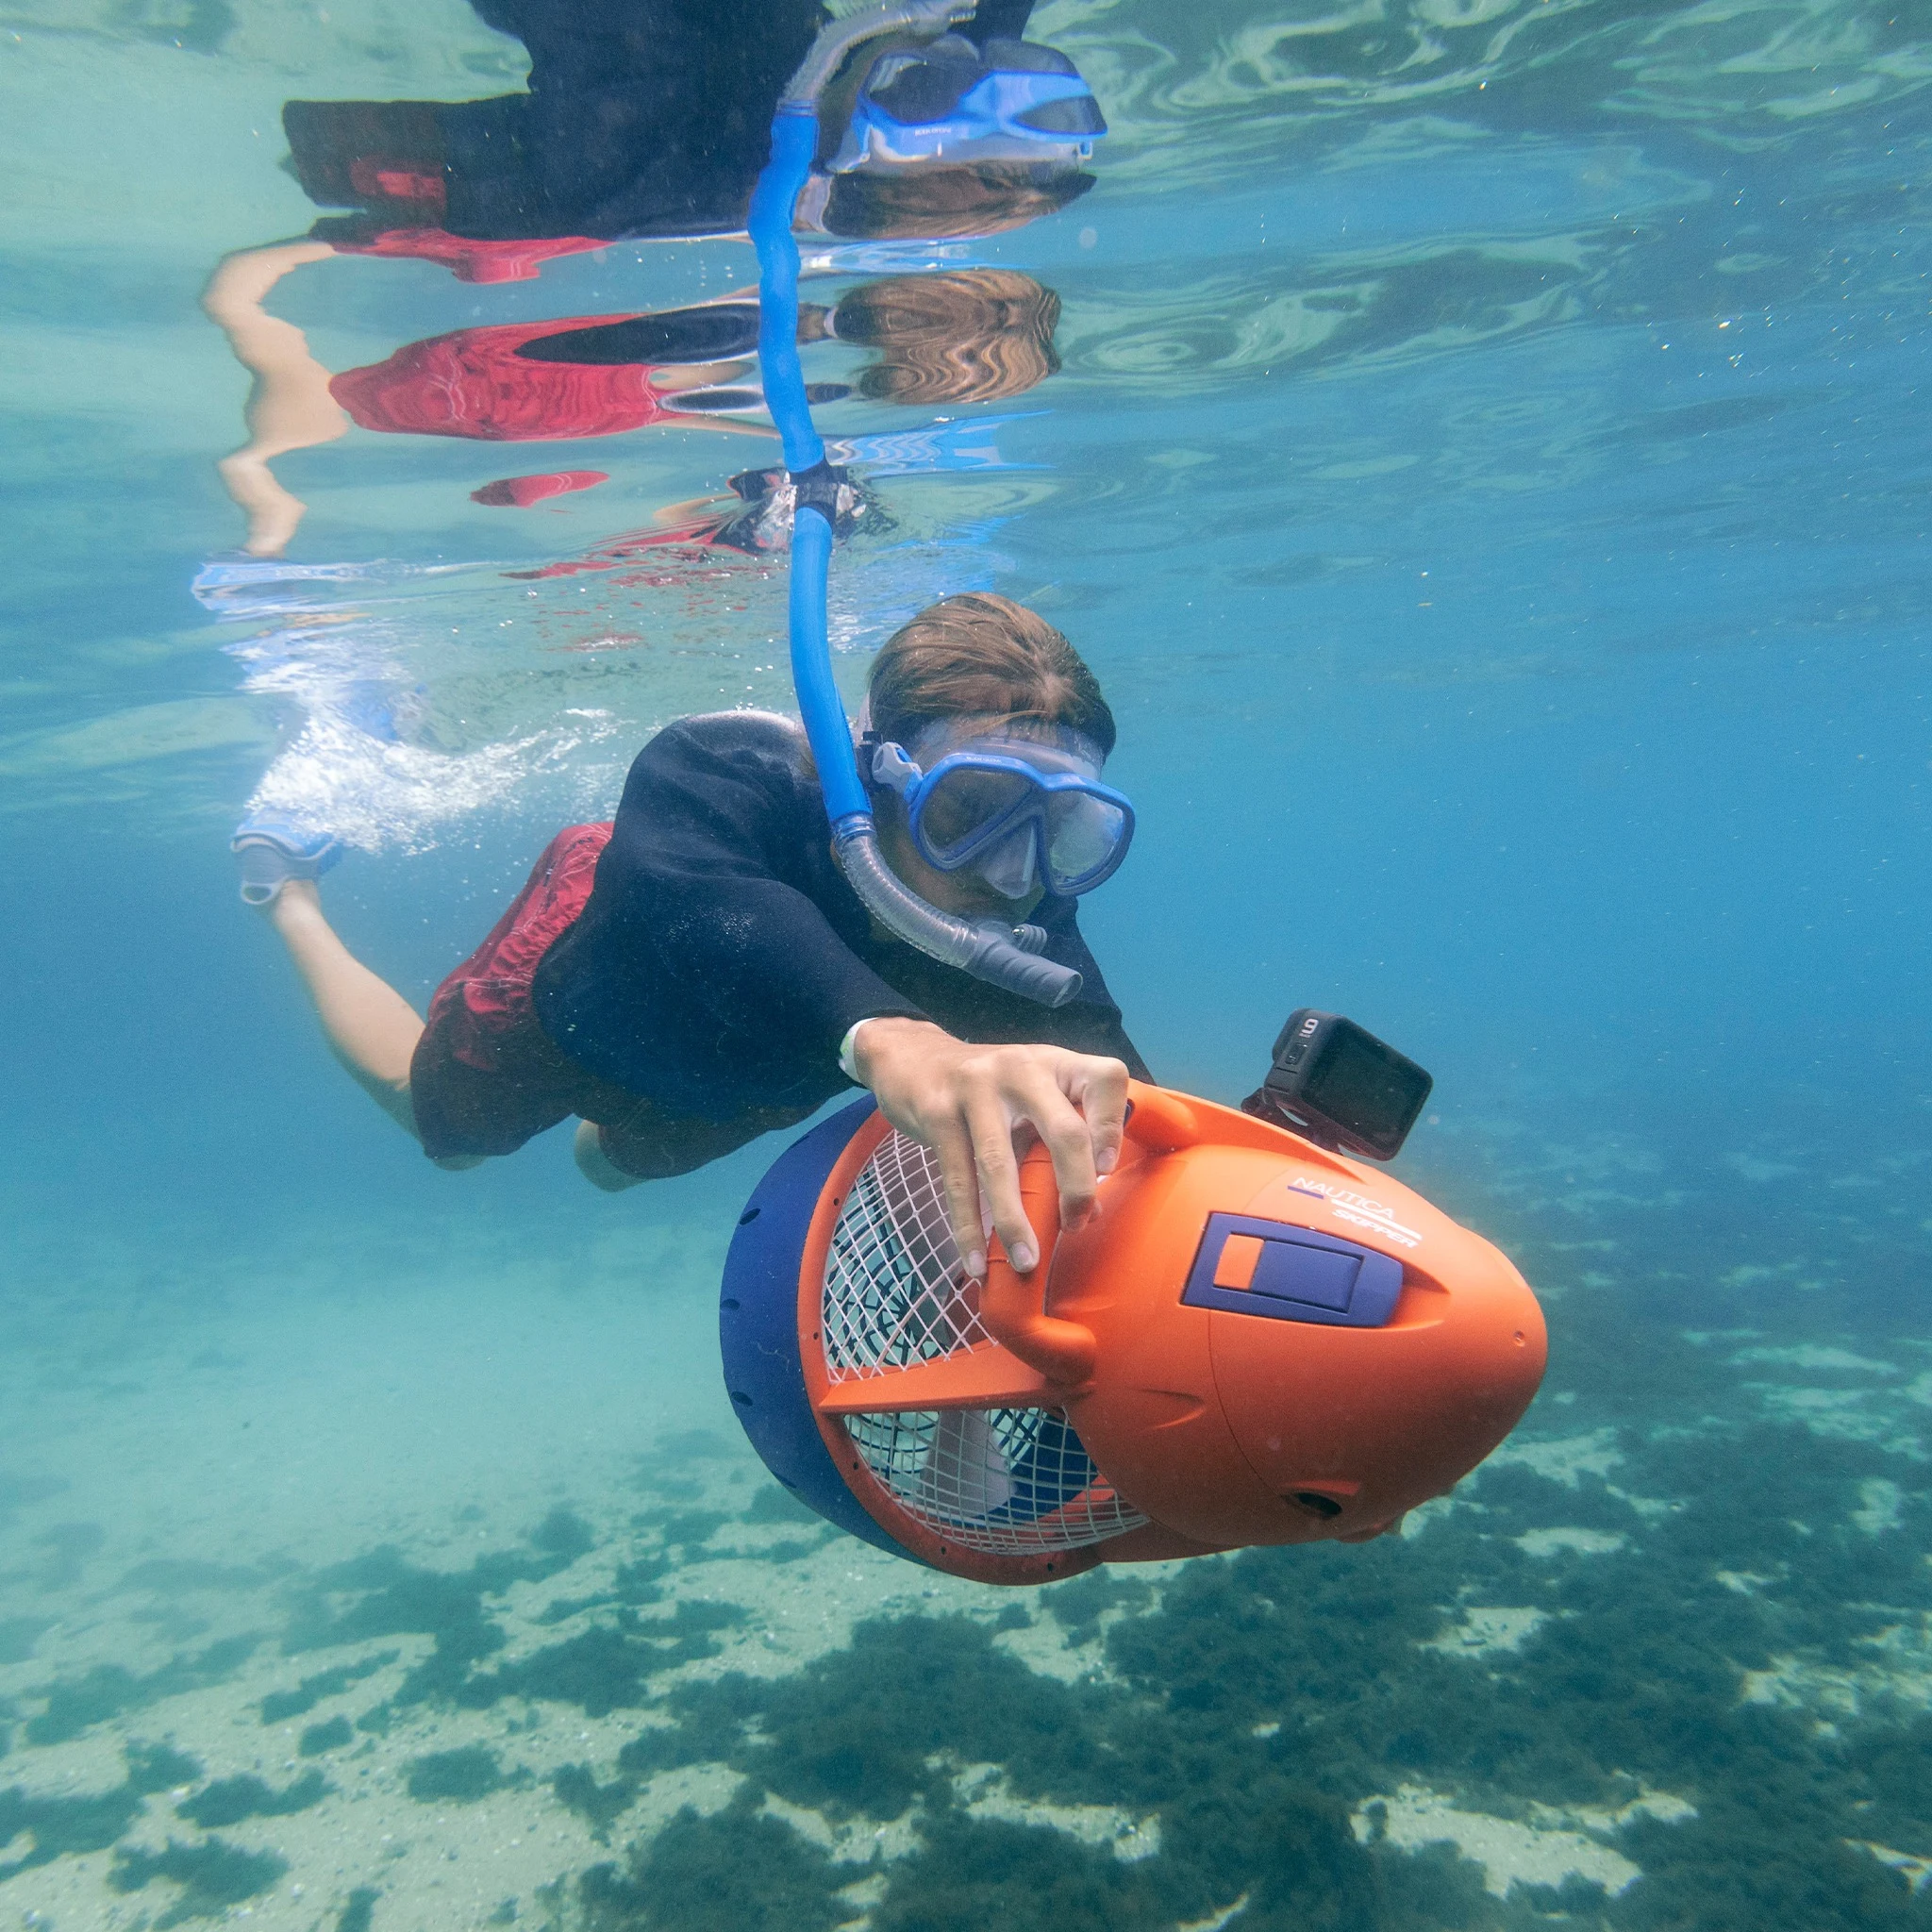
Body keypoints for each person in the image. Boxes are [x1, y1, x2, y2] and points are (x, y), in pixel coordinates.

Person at [243, 593, 1142, 1277]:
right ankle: (287, 886)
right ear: (876, 775)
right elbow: (705, 907)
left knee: (607, 1168)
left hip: (747, 1075)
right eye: (969, 812)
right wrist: (899, 1037)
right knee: (449, 1141)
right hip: (596, 985)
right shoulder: (721, 766)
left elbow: (1127, 1111)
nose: (1009, 872)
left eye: (1058, 827)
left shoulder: (1023, 916)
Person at [200, 265, 1064, 555]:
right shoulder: (787, 349)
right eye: (964, 393)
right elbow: (689, 409)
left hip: (565, 410)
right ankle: (256, 407)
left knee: (339, 403)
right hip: (545, 403)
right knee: (332, 404)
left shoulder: (804, 345)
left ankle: (259, 373)